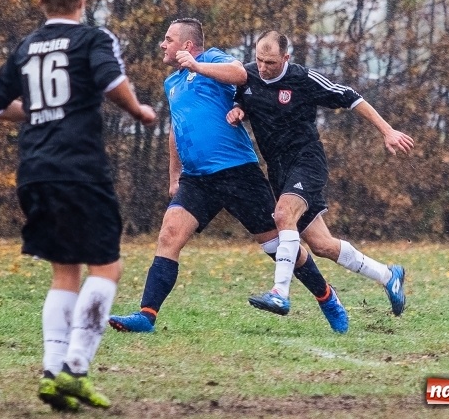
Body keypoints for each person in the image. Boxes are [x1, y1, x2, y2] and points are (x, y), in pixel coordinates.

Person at [0, 0, 156, 411]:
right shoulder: (92, 39)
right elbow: (112, 83)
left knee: (64, 273)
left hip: (35, 169)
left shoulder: (26, 47)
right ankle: (76, 368)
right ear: (83, 1)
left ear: (40, 3)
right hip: (79, 168)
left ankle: (50, 371)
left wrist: (40, 110)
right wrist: (139, 111)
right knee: (107, 268)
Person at [109, 18, 349, 335]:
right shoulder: (172, 83)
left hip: (237, 173)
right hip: (197, 180)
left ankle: (327, 298)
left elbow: (238, 73)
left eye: (168, 39)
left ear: (187, 45)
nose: (163, 45)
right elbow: (177, 128)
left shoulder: (211, 59)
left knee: (278, 247)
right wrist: (174, 174)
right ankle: (146, 315)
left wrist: (196, 65)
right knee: (169, 236)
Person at [226, 30, 414, 316]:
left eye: (271, 63)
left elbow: (352, 98)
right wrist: (238, 109)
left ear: (286, 58)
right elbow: (242, 98)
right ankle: (389, 276)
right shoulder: (248, 76)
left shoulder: (304, 80)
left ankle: (279, 293)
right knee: (322, 245)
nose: (263, 68)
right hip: (279, 171)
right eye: (259, 60)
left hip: (307, 162)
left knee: (282, 215)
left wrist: (387, 131)